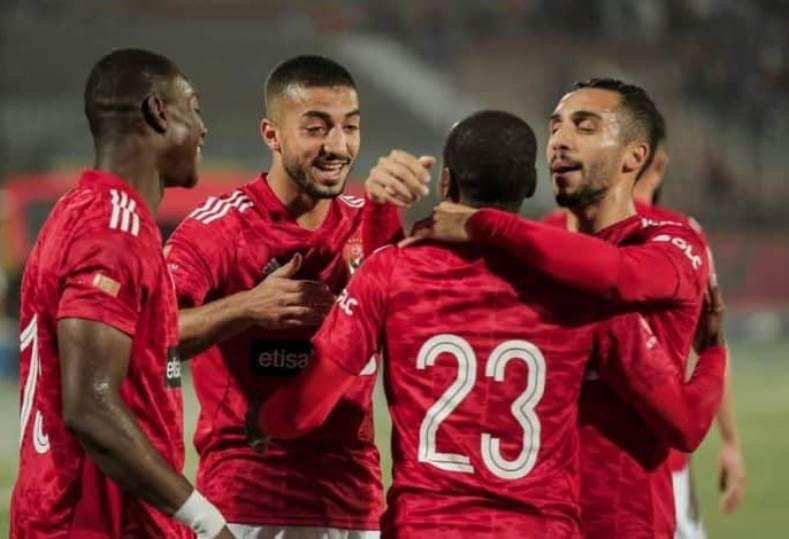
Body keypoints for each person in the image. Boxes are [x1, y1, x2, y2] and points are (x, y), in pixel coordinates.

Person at [253, 110, 726, 538]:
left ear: (446, 183)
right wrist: (713, 352)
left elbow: (300, 412)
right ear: (531, 187)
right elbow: (683, 424)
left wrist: (261, 419)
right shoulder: (581, 291)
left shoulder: (391, 273)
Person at [396, 79, 713, 538]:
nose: (560, 140)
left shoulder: (668, 241)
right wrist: (383, 207)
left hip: (622, 522)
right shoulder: (535, 244)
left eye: (584, 127)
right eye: (556, 127)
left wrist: (716, 353)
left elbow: (618, 276)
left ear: (634, 157)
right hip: (526, 521)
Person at [10, 49, 232, 538]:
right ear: (158, 112)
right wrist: (207, 522)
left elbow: (142, 363)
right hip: (95, 524)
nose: (204, 128)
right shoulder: (112, 230)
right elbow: (90, 407)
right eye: (194, 108)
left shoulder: (84, 211)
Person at [165, 55, 389, 538]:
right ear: (272, 135)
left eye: (350, 127)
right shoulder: (220, 228)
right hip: (249, 506)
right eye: (316, 128)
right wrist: (248, 306)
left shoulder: (369, 224)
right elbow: (153, 334)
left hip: (356, 507)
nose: (338, 146)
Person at [633, 132, 746, 539]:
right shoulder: (683, 235)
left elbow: (711, 343)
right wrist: (730, 442)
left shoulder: (558, 233)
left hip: (597, 460)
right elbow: (711, 343)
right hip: (656, 462)